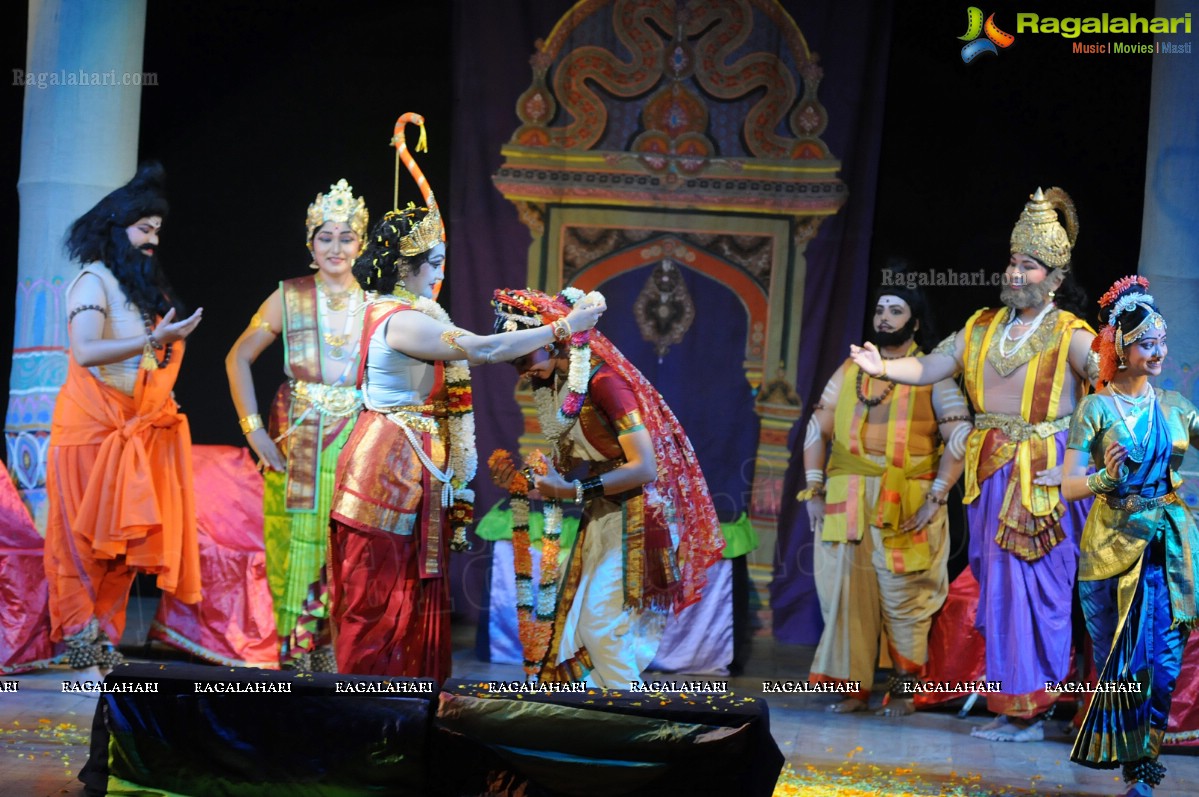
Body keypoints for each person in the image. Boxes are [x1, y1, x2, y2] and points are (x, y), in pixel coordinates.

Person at [850, 187, 1096, 741]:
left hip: (1045, 474)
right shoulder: (983, 326)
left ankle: (1032, 711)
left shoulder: (1072, 335)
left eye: (1028, 266)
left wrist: (1080, 463)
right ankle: (1012, 705)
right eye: (1012, 262)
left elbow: (1105, 395)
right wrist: (885, 369)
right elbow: (935, 365)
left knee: (1040, 594)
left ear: (1055, 278)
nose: (1014, 273)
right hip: (989, 473)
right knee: (1000, 589)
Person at [326, 200, 606, 679]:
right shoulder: (401, 319)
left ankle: (408, 711)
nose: (438, 275)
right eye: (433, 264)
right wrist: (564, 327)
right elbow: (485, 348)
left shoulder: (406, 313)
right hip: (387, 464)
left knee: (409, 591)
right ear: (404, 267)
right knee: (377, 595)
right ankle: (369, 715)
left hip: (409, 461)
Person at [488, 288, 726, 688]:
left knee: (600, 623)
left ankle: (634, 718)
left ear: (554, 338)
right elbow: (575, 464)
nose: (521, 371)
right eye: (514, 362)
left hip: (640, 512)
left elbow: (645, 467)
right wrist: (531, 483)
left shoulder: (605, 381)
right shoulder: (557, 384)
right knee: (578, 628)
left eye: (524, 358)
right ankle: (597, 723)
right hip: (604, 509)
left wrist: (572, 492)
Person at [44, 162, 204, 675]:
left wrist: (163, 347)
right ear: (117, 230)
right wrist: (154, 340)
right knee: (83, 544)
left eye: (157, 230)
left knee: (119, 550)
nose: (153, 239)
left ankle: (101, 642)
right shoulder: (93, 281)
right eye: (144, 229)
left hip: (133, 430)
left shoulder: (140, 291)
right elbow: (87, 350)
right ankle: (80, 639)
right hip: (90, 432)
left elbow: (148, 360)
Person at [801, 285, 970, 715]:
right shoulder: (850, 369)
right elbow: (816, 429)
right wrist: (813, 489)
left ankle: (905, 689)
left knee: (905, 598)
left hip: (908, 501)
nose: (884, 318)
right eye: (879, 310)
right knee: (844, 595)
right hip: (847, 499)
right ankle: (852, 688)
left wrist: (937, 496)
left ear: (914, 322)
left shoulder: (934, 373)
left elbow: (960, 438)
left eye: (896, 311)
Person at [1061, 277, 1198, 796]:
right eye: (1146, 342)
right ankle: (1130, 767)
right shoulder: (1095, 409)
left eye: (1161, 340)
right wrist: (1105, 479)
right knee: (1124, 665)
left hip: (1166, 547)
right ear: (1121, 347)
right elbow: (1070, 486)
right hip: (1110, 550)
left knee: (1163, 666)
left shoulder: (1178, 406)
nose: (1158, 351)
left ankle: (1145, 766)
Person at [225, 179, 369, 671]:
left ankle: (332, 653)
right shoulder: (288, 297)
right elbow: (238, 356)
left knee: (346, 547)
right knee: (293, 544)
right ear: (310, 244)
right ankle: (296, 653)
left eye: (345, 237)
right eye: (325, 236)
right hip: (296, 436)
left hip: (355, 442)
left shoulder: (376, 305)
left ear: (362, 244)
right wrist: (253, 430)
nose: (335, 247)